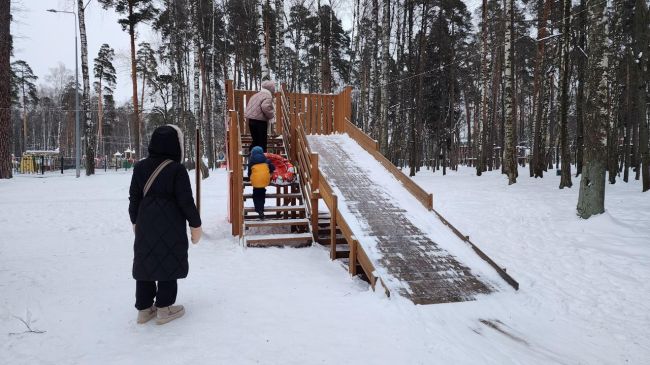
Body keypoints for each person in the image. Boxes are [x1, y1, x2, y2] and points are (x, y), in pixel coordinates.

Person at [128, 125, 202, 325]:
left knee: (145, 261)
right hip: (170, 223)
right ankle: (164, 308)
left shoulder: (140, 167)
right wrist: (195, 225)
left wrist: (135, 220)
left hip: (144, 222)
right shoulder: (176, 169)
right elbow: (186, 201)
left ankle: (144, 309)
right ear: (176, 145)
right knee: (168, 260)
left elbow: (134, 198)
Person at [244, 80, 275, 152]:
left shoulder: (255, 95)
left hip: (251, 121)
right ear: (270, 89)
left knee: (255, 140)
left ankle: (252, 156)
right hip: (260, 122)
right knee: (262, 142)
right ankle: (262, 159)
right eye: (273, 89)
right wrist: (271, 116)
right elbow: (265, 107)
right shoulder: (267, 96)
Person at [248, 146, 275, 220]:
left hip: (256, 183)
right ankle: (261, 210)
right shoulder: (266, 160)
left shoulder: (251, 162)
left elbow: (249, 174)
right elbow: (273, 168)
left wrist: (251, 177)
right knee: (262, 194)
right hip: (265, 181)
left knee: (256, 195)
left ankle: (259, 210)